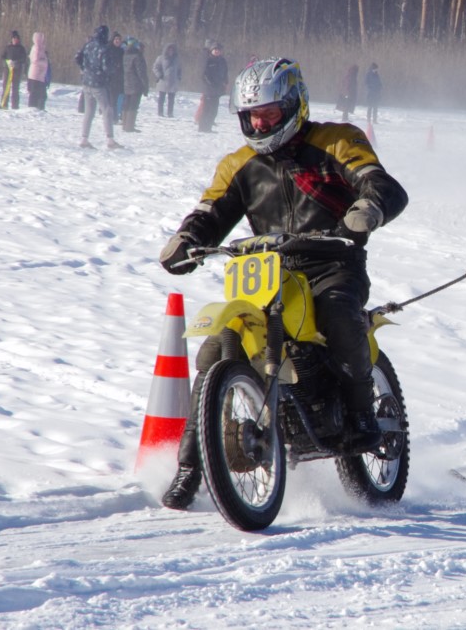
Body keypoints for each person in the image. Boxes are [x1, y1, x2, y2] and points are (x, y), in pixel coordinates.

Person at [157, 58, 409, 510]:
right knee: (216, 349)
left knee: (338, 316)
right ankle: (190, 468)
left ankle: (361, 417)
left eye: (270, 113)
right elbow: (211, 211)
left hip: (333, 262)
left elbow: (381, 185)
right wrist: (186, 239)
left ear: (295, 106)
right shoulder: (239, 163)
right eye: (252, 115)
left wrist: (366, 210)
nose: (260, 123)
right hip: (267, 270)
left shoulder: (338, 140)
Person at [75, 24, 122, 150]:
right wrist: (113, 69)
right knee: (106, 110)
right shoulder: (103, 49)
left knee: (89, 111)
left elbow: (77, 57)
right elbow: (107, 67)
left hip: (86, 82)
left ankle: (84, 139)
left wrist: (85, 69)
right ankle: (110, 140)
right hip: (99, 84)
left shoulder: (88, 45)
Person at [197, 41, 228, 132]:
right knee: (206, 109)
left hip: (218, 89)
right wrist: (209, 83)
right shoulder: (207, 60)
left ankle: (209, 127)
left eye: (218, 50)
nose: (217, 51)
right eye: (215, 49)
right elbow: (203, 74)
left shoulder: (222, 61)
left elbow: (225, 72)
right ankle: (202, 127)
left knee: (214, 110)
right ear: (211, 50)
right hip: (208, 89)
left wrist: (225, 82)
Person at [121, 36, 149, 133]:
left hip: (126, 83)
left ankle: (124, 124)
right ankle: (130, 126)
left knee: (126, 104)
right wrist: (145, 85)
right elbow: (141, 73)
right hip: (136, 84)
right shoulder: (138, 56)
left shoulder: (125, 55)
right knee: (133, 105)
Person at [0, 30, 28, 109]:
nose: (15, 40)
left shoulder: (21, 48)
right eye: (13, 39)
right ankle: (4, 104)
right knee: (6, 87)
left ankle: (15, 106)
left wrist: (16, 63)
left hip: (17, 71)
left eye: (16, 39)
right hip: (7, 70)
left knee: (15, 89)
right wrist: (7, 62)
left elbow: (24, 59)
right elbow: (2, 57)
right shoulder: (7, 47)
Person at [152, 43, 182, 117]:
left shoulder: (177, 59)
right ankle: (160, 112)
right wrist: (159, 75)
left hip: (173, 82)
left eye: (172, 50)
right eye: (169, 50)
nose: (171, 51)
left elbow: (179, 69)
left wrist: (179, 76)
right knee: (161, 98)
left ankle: (170, 113)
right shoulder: (161, 58)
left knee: (171, 99)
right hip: (163, 80)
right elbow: (155, 67)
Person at [26, 32, 49, 109]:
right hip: (35, 75)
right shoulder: (36, 48)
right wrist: (44, 62)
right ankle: (33, 109)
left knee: (41, 95)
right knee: (35, 94)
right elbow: (35, 60)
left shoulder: (41, 48)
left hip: (40, 75)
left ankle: (39, 109)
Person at [107, 31, 125, 123]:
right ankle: (112, 118)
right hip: (111, 78)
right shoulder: (108, 49)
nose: (118, 41)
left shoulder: (122, 51)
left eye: (119, 39)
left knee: (119, 99)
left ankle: (116, 116)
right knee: (112, 99)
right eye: (116, 39)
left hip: (120, 78)